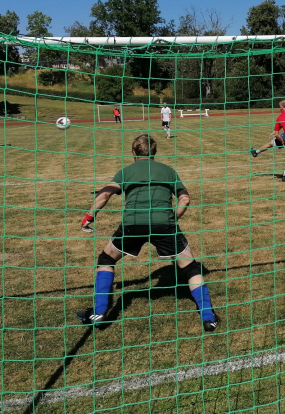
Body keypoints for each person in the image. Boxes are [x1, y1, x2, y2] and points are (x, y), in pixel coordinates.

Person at [77, 134, 220, 330]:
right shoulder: (169, 171)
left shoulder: (125, 172)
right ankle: (208, 317)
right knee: (191, 269)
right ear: (154, 153)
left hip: (133, 224)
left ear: (133, 153)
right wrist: (171, 218)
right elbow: (185, 199)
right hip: (165, 224)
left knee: (106, 260)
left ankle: (99, 312)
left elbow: (105, 194)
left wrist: (89, 217)